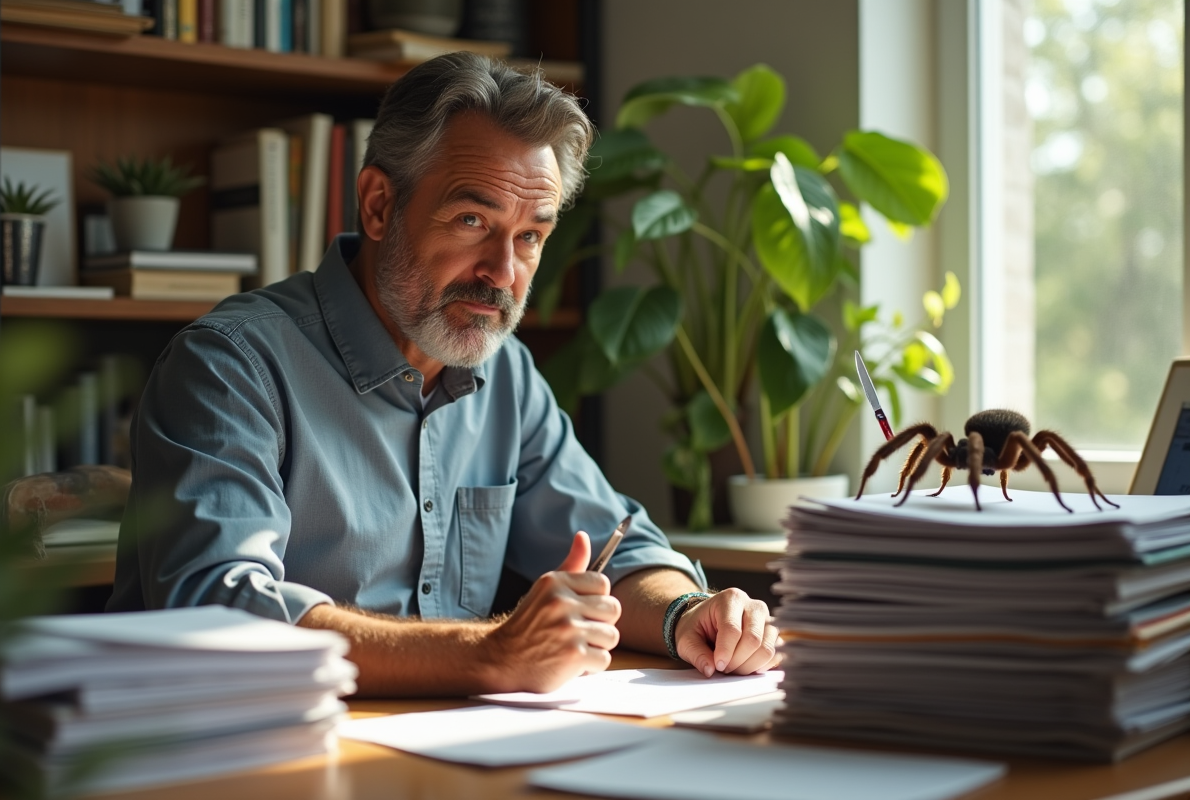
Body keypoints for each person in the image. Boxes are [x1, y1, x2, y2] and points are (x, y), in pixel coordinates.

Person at [107, 53, 779, 696]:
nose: (502, 274)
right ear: (377, 204)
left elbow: (617, 547)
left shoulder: (505, 373)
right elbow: (219, 613)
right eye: (471, 220)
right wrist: (490, 654)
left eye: (529, 237)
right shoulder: (230, 366)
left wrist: (686, 614)